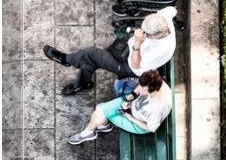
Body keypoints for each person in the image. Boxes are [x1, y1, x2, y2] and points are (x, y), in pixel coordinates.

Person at [43, 6, 177, 95]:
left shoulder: (163, 48)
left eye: (147, 33)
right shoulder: (163, 20)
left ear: (158, 34)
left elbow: (136, 65)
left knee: (91, 53)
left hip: (128, 66)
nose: (143, 33)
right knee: (90, 61)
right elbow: (172, 9)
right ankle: (81, 84)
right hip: (124, 48)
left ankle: (66, 59)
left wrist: (137, 43)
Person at [67, 70, 171, 145]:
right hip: (130, 106)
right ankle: (100, 127)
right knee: (100, 112)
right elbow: (138, 90)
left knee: (100, 113)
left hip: (137, 124)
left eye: (143, 89)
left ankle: (92, 131)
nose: (141, 90)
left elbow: (150, 128)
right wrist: (129, 99)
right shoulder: (154, 82)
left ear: (151, 90)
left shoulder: (159, 107)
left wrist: (129, 117)